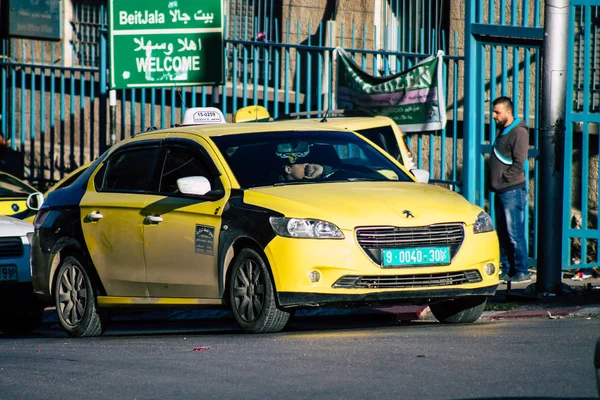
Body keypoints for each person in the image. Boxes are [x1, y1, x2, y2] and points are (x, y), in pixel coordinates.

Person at [489, 96, 531, 283]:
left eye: (497, 112)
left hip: (512, 191)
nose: (493, 115)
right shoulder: (503, 130)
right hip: (501, 190)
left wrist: (504, 178)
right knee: (504, 233)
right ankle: (508, 269)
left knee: (514, 232)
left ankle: (522, 271)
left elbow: (519, 162)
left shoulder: (518, 132)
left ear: (508, 111)